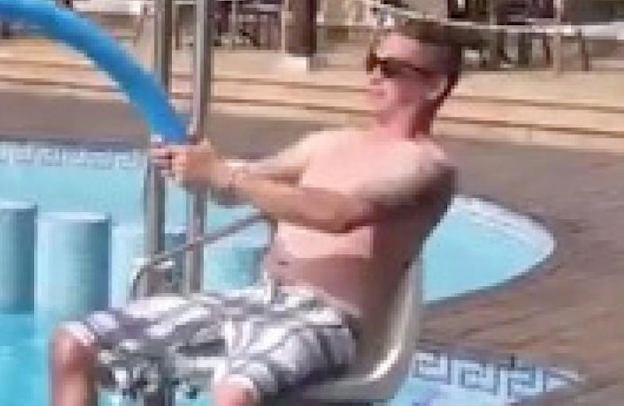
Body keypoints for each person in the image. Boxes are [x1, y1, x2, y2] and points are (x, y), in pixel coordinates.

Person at [49, 21, 462, 406]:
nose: (374, 75)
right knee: (73, 345)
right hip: (256, 299)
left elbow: (337, 215)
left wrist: (224, 175)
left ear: (434, 86)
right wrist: (191, 165)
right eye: (372, 62)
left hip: (326, 320)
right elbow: (237, 188)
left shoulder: (426, 167)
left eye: (391, 69)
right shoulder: (328, 143)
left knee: (235, 395)